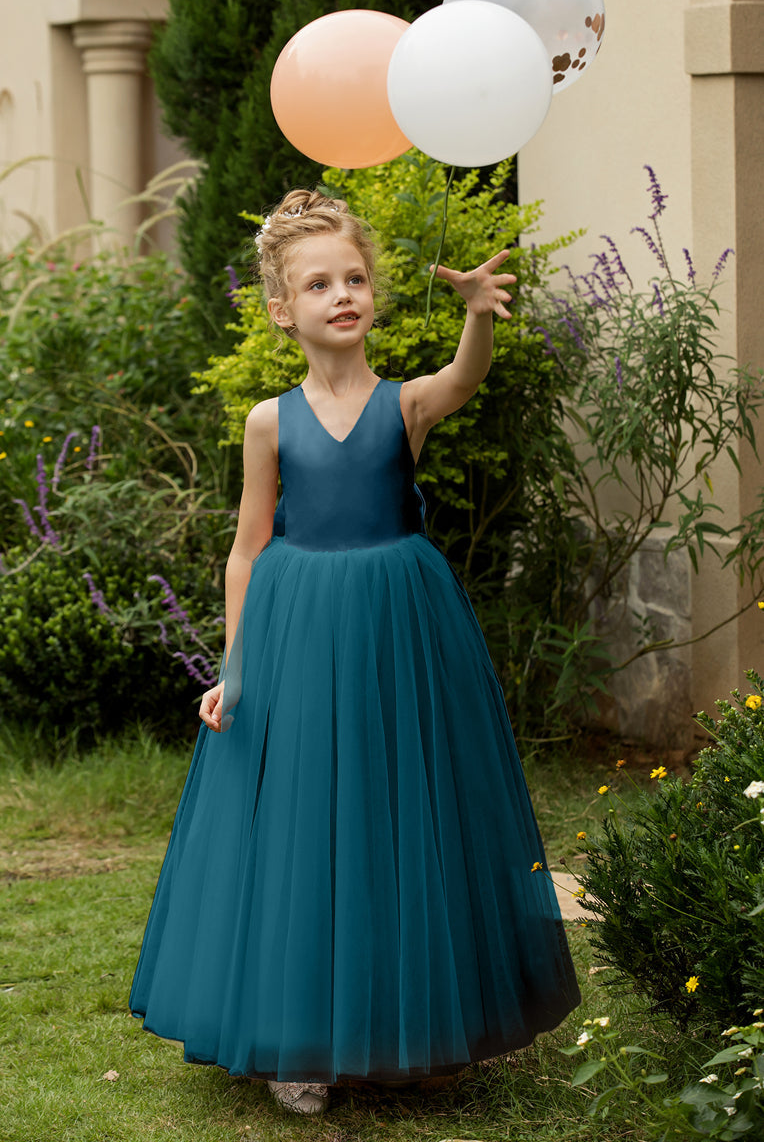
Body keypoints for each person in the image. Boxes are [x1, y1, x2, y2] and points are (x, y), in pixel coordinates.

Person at [129, 189, 581, 1116]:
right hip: (297, 628)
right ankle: (299, 1037)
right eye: (319, 284)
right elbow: (247, 549)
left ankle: (409, 1024)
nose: (342, 295)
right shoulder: (269, 421)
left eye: (355, 279)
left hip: (398, 626)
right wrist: (235, 669)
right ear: (280, 310)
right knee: (304, 818)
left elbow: (463, 381)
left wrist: (476, 316)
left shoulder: (403, 404)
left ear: (373, 293)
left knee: (400, 810)